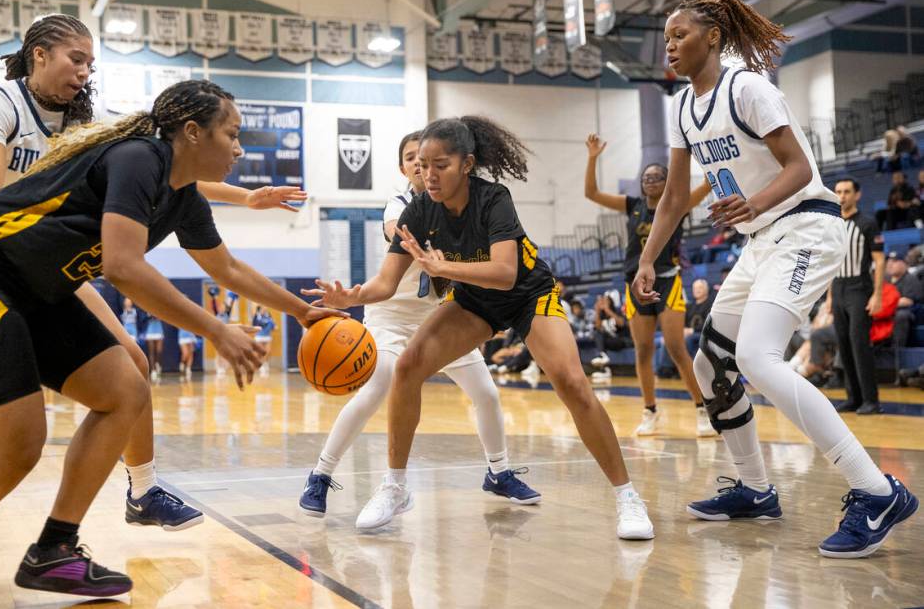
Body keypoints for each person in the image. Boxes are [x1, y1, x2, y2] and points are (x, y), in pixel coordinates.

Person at [0, 79, 342, 605]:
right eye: (233, 134)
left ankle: (56, 550)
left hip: (35, 290)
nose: (240, 148)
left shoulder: (183, 198)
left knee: (125, 392)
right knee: (18, 444)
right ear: (193, 132)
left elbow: (225, 268)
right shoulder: (138, 158)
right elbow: (124, 266)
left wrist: (304, 312)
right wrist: (216, 329)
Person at [634, 0, 916, 558]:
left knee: (757, 359)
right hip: (761, 240)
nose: (669, 44)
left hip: (805, 227)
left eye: (679, 34)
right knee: (712, 362)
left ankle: (877, 490)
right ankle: (756, 489)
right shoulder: (685, 107)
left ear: (712, 37)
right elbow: (670, 199)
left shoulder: (748, 88)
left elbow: (802, 168)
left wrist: (752, 202)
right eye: (665, 37)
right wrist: (649, 259)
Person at [307, 116, 654, 540]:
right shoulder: (417, 210)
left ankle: (627, 497)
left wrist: (442, 266)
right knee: (408, 366)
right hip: (474, 301)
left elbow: (506, 273)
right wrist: (352, 297)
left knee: (571, 383)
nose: (429, 174)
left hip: (528, 295)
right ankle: (394, 487)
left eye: (441, 165)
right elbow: (385, 283)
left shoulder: (494, 199)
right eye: (423, 165)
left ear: (467, 164)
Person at [299, 131, 540, 520]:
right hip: (390, 317)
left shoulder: (464, 204)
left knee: (487, 394)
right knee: (378, 387)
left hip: (439, 317)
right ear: (404, 167)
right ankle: (321, 474)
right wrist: (355, 295)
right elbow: (396, 231)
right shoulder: (401, 206)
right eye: (412, 158)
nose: (419, 165)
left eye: (427, 159)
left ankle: (498, 472)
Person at [583, 135, 714, 437]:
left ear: (668, 182)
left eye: (657, 177)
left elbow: (707, 183)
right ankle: (650, 410)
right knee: (642, 350)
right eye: (647, 178)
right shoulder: (633, 206)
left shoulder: (679, 203)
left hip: (668, 281)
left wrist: (697, 150)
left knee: (676, 348)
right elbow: (591, 193)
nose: (651, 181)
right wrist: (593, 157)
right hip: (636, 284)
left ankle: (701, 410)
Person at [832, 179, 885, 414]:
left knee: (859, 344)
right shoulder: (832, 224)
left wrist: (877, 294)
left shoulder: (867, 223)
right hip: (838, 288)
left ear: (857, 195)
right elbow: (831, 263)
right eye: (838, 192)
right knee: (843, 344)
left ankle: (871, 400)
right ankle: (853, 397)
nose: (842, 196)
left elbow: (880, 261)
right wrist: (829, 299)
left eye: (846, 192)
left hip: (859, 289)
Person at [885, 252, 923, 356]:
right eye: (888, 261)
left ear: (903, 264)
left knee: (901, 316)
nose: (890, 264)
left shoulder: (910, 279)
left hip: (906, 313)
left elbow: (908, 301)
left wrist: (885, 304)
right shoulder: (885, 279)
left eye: (894, 261)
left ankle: (896, 351)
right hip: (885, 312)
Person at [251, 305, 275, 375]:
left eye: (265, 307)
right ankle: (257, 364)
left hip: (267, 336)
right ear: (260, 308)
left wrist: (273, 326)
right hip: (259, 336)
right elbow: (254, 325)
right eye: (263, 308)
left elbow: (272, 325)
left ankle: (264, 363)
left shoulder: (268, 315)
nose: (265, 309)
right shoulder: (256, 316)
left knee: (268, 351)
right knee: (259, 353)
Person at [144, 312, 165, 383]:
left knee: (159, 351)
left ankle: (157, 363)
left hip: (159, 329)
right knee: (151, 352)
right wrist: (150, 316)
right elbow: (142, 318)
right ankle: (153, 370)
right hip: (150, 329)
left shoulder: (159, 308)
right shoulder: (146, 307)